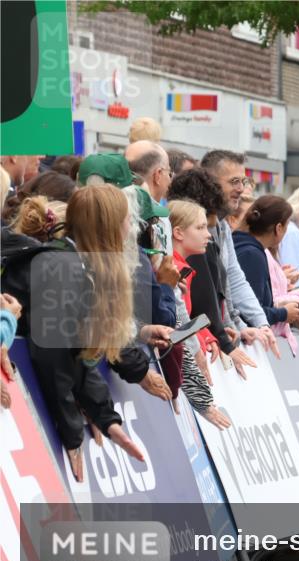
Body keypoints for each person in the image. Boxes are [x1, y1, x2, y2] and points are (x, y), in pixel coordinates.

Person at [15, 185, 146, 481]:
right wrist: (73, 434)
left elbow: (78, 354)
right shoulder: (66, 267)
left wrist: (107, 419)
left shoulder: (78, 263)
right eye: (126, 218)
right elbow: (52, 359)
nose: (131, 226)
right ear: (109, 226)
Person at [199, 151, 279, 353]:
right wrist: (228, 334)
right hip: (204, 343)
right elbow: (204, 295)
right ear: (210, 182)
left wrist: (259, 325)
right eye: (234, 181)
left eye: (243, 181)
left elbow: (234, 278)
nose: (241, 189)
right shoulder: (196, 224)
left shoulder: (222, 225)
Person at [168, 199, 233, 429]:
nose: (208, 234)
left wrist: (207, 336)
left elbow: (185, 320)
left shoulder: (182, 267)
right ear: (177, 232)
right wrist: (202, 400)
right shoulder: (172, 270)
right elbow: (176, 330)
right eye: (200, 227)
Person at [233, 195, 299, 328]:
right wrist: (283, 313)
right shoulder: (252, 255)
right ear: (278, 228)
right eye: (287, 226)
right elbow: (250, 311)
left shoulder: (247, 247)